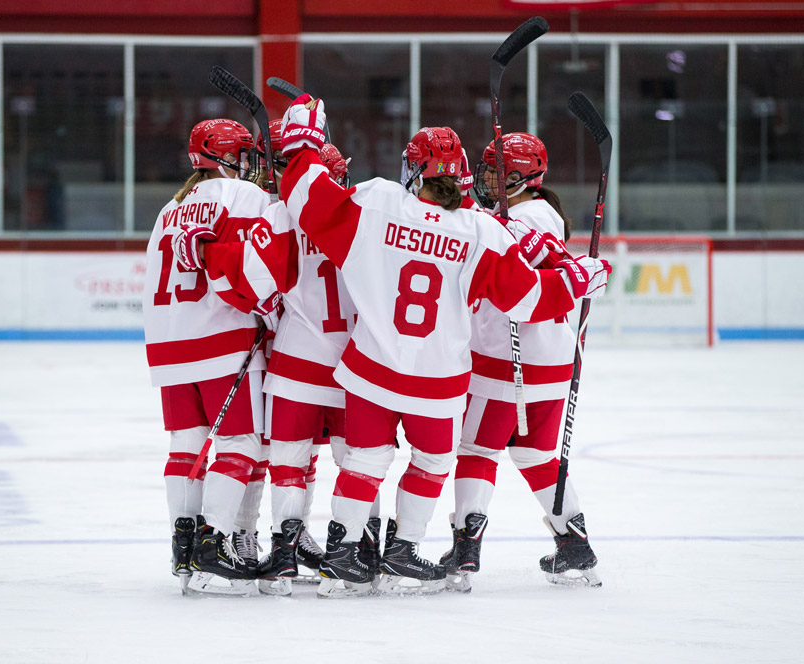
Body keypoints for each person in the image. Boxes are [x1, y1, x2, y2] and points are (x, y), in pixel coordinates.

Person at [276, 96, 611, 598]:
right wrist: (581, 277)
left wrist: (303, 138)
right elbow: (526, 300)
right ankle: (403, 551)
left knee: (365, 461)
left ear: (413, 170)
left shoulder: (377, 202)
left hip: (370, 366)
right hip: (438, 381)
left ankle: (343, 553)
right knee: (431, 463)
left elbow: (305, 197)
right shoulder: (480, 232)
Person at [174, 135, 376, 595]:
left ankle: (282, 557)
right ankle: (361, 552)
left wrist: (205, 254)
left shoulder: (281, 215)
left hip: (296, 360)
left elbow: (248, 281)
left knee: (283, 461)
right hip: (355, 363)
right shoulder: (363, 217)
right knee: (359, 461)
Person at [442, 132, 603, 591]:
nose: (486, 178)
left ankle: (465, 550)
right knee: (535, 455)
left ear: (519, 177)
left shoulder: (534, 215)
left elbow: (530, 257)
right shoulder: (517, 213)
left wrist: (498, 227)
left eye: (495, 170)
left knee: (476, 451)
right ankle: (574, 545)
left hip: (506, 359)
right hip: (549, 363)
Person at [141, 118, 276, 597]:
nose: (251, 163)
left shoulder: (169, 206)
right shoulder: (243, 198)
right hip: (221, 337)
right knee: (241, 445)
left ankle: (184, 547)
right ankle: (214, 547)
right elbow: (248, 269)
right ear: (228, 157)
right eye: (243, 153)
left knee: (186, 448)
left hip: (168, 342)